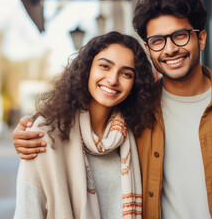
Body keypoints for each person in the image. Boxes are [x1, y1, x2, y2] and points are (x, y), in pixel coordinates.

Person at [13, 0, 212, 219]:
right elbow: (86, 132)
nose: (170, 48)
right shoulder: (135, 112)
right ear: (149, 50)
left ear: (201, 39)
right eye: (158, 41)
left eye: (180, 36)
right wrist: (30, 134)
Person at [13, 31, 157, 219]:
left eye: (126, 74)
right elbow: (27, 212)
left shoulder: (137, 135)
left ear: (134, 84)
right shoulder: (44, 135)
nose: (113, 79)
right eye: (105, 66)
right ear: (87, 69)